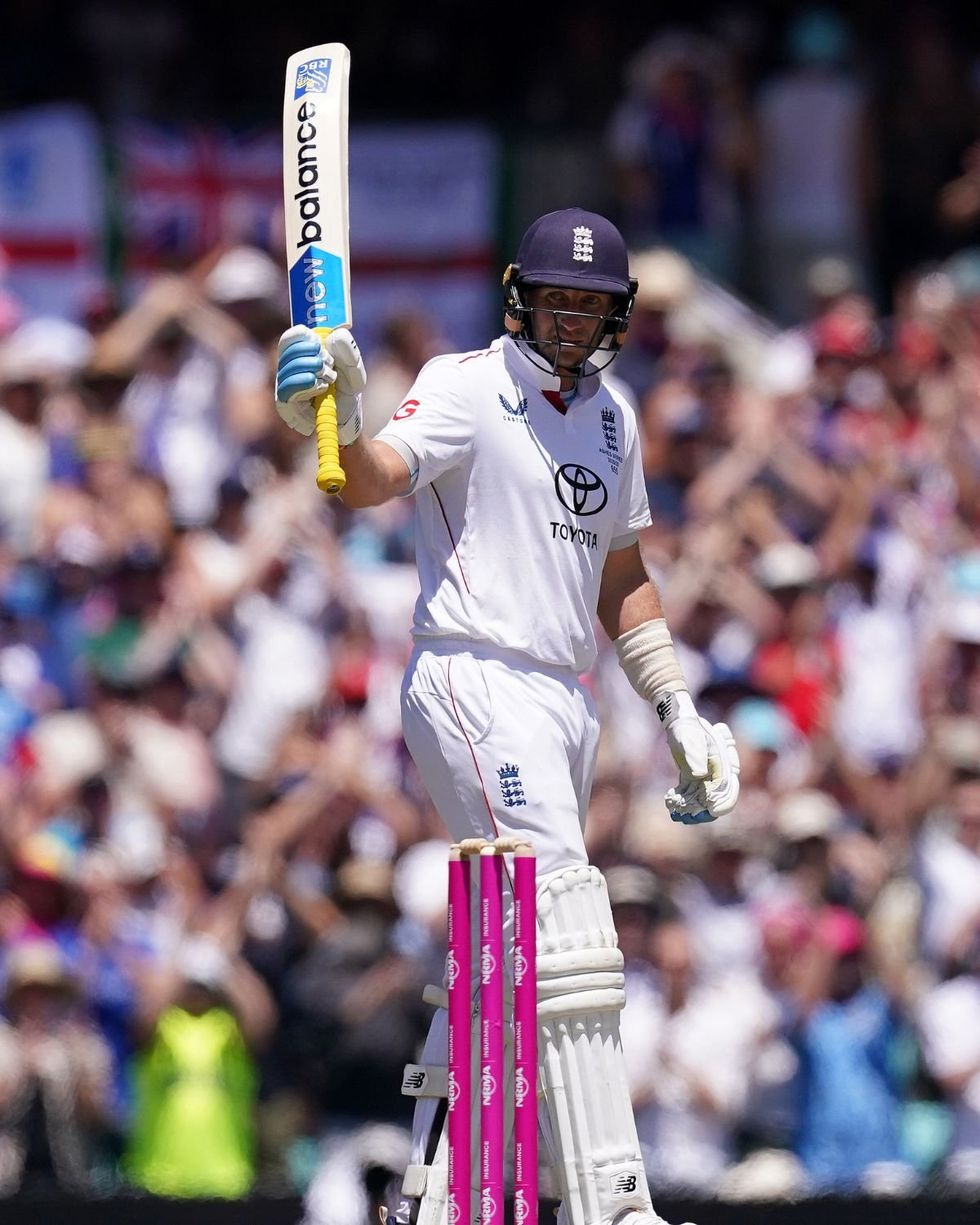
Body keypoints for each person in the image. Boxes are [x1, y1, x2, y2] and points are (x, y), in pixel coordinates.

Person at [274, 207, 741, 1225]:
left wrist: (676, 708)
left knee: (510, 935)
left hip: (563, 701)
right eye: (556, 300)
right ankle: (613, 1198)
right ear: (517, 294)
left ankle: (444, 1190)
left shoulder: (613, 417)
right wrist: (334, 413)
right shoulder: (462, 385)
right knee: (562, 902)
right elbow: (363, 480)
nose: (571, 322)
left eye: (591, 305)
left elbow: (622, 575)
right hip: (471, 673)